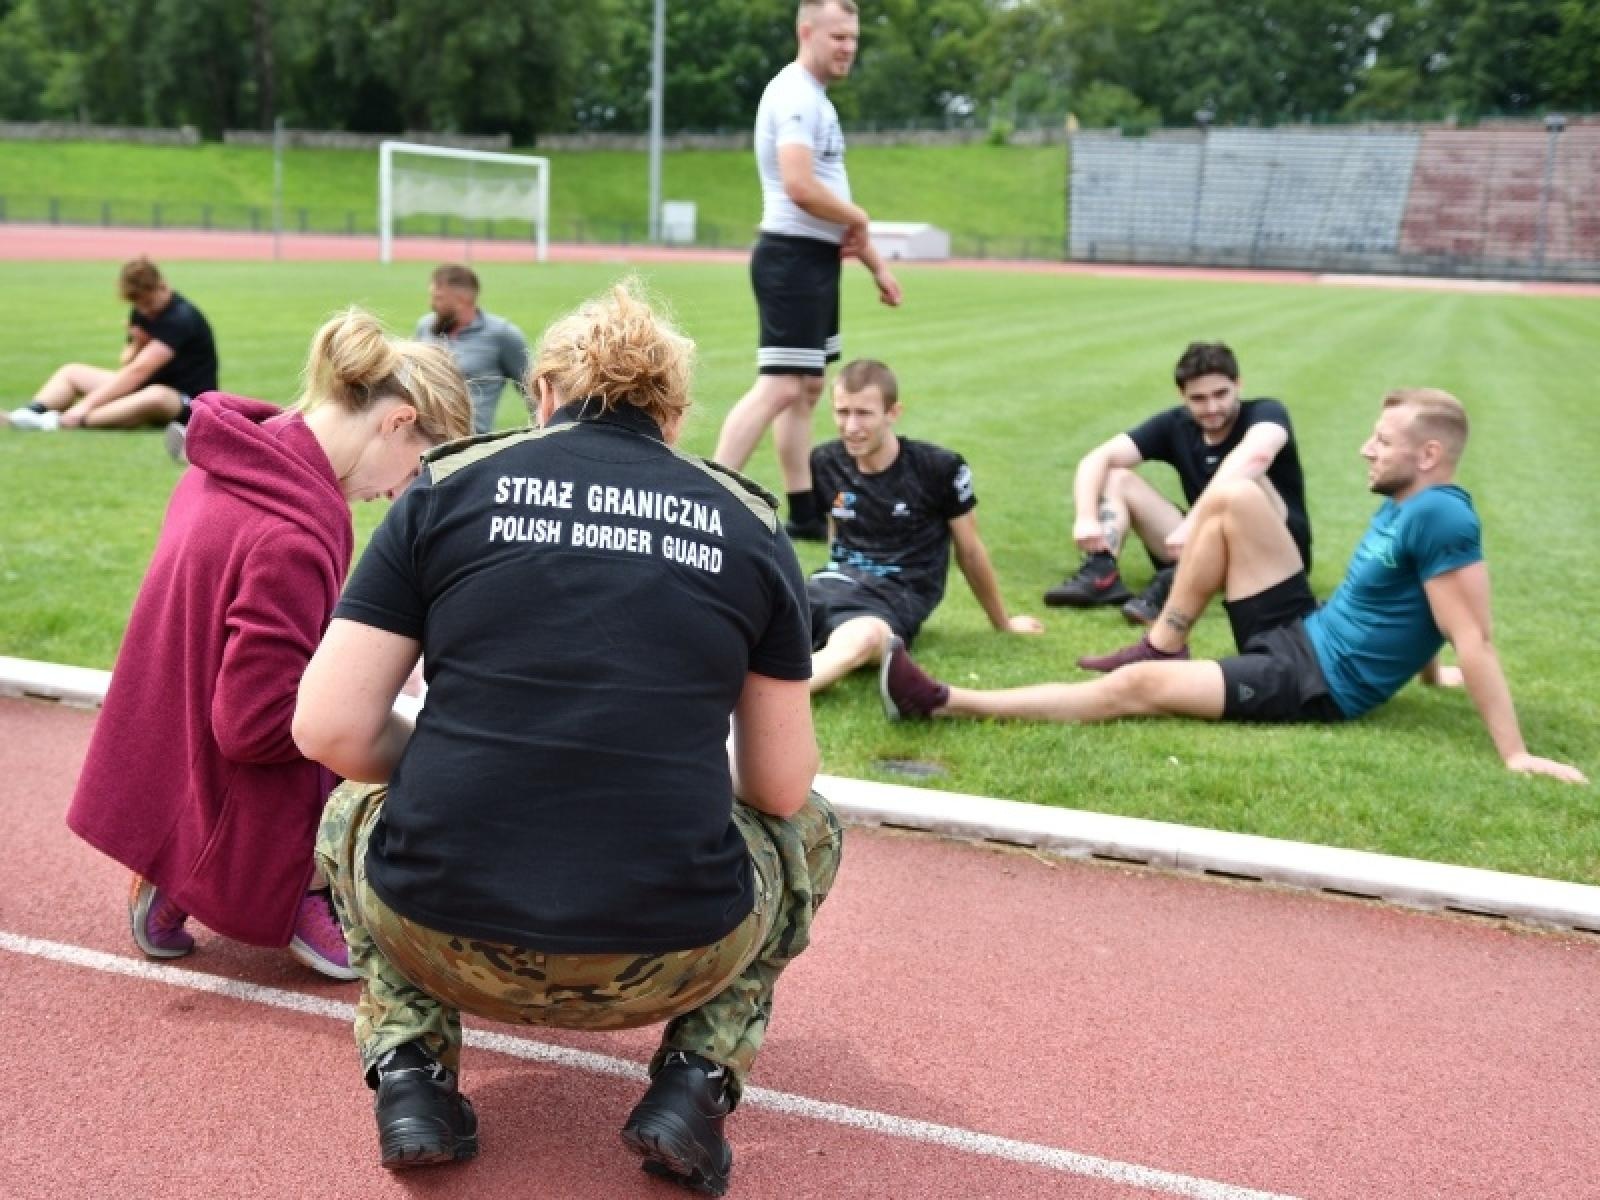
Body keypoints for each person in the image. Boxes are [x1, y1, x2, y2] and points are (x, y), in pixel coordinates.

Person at [292, 281, 842, 1192]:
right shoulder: (748, 525)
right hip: (669, 956)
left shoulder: (447, 487)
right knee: (812, 826)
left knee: (356, 805)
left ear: (542, 394)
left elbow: (328, 726)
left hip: (442, 933)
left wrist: (435, 772)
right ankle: (695, 1083)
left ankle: (412, 1074)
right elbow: (782, 789)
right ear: (671, 418)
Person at [881, 388, 1588, 785]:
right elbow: (1414, 604)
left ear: (1429, 454)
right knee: (1237, 497)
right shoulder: (1408, 503)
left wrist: (1515, 754)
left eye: (1382, 440)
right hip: (1305, 628)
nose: (1365, 449)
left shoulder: (1438, 513)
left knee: (1136, 695)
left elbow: (1474, 632)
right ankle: (1163, 641)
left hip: (1316, 682)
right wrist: (1431, 677)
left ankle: (943, 702)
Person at [66, 310, 473, 982]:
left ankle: (180, 863)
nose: (398, 495)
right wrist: (376, 706)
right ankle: (300, 890)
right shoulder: (297, 532)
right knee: (398, 742)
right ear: (397, 421)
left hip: (165, 737)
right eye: (414, 471)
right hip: (227, 761)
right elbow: (255, 724)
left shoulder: (241, 454)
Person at [713, 0, 903, 541]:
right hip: (790, 258)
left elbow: (833, 204)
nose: (848, 48)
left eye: (854, 39)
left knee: (808, 388)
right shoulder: (795, 94)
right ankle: (711, 496)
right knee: (778, 387)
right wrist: (858, 216)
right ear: (807, 32)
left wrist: (875, 267)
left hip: (815, 260)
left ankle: (802, 512)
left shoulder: (817, 99)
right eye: (838, 36)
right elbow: (800, 187)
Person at [807, 359, 1043, 696]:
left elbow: (971, 551)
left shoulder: (938, 468)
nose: (851, 426)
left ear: (893, 413)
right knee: (754, 606)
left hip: (892, 598)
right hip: (830, 584)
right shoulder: (825, 460)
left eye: (864, 413)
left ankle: (769, 699)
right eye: (842, 412)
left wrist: (1003, 623)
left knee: (863, 640)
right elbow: (837, 531)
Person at [1044, 342, 1311, 627]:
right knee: (1117, 475)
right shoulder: (1176, 425)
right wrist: (1085, 518)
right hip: (1201, 539)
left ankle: (1175, 579)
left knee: (1249, 476)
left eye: (1221, 394)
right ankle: (1101, 572)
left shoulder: (1266, 412)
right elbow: (1098, 457)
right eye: (1198, 398)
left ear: (1238, 385)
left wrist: (1192, 524)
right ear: (1182, 396)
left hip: (1274, 554)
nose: (1212, 407)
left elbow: (1257, 455)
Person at [4, 256, 218, 459]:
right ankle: (28, 413)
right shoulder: (141, 312)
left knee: (155, 395)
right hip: (146, 384)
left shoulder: (181, 318)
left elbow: (138, 372)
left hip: (185, 399)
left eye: (149, 303)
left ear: (162, 286)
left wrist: (84, 406)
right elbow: (127, 362)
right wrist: (138, 344)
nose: (145, 310)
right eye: (140, 305)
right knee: (72, 372)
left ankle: (56, 421)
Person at [413, 263, 530, 435]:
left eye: (439, 298)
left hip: (468, 442)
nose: (432, 304)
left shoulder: (502, 335)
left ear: (462, 301)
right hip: (422, 436)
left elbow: (533, 390)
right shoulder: (425, 326)